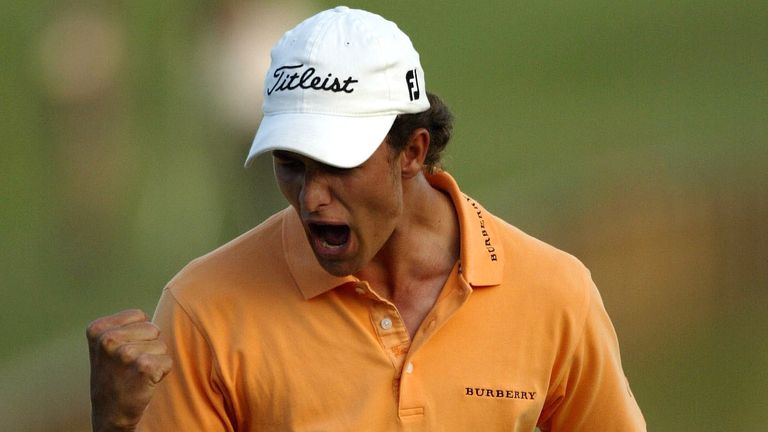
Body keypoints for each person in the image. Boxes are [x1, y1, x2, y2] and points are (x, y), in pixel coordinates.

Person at [86, 6, 646, 431]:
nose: (311, 199)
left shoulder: (554, 294)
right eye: (291, 165)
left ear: (412, 150)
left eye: (336, 165)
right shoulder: (205, 311)